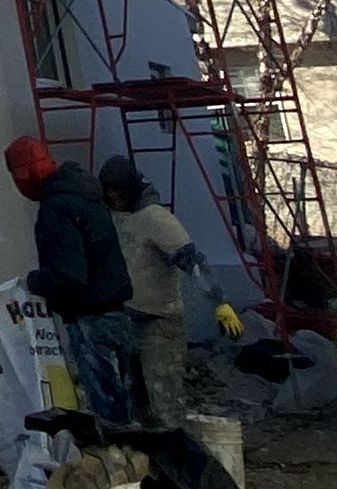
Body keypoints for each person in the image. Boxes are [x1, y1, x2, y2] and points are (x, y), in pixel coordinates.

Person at [4, 135, 140, 423]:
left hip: (91, 320)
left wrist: (34, 282)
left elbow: (69, 276)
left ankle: (118, 450)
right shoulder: (87, 195)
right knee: (133, 408)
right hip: (118, 315)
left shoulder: (56, 208)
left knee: (110, 415)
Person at [99, 154, 245, 423]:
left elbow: (192, 261)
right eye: (109, 192)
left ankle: (175, 447)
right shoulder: (114, 217)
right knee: (135, 405)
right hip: (127, 321)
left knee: (164, 402)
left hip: (159, 323)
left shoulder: (156, 218)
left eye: (118, 192)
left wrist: (219, 301)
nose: (114, 198)